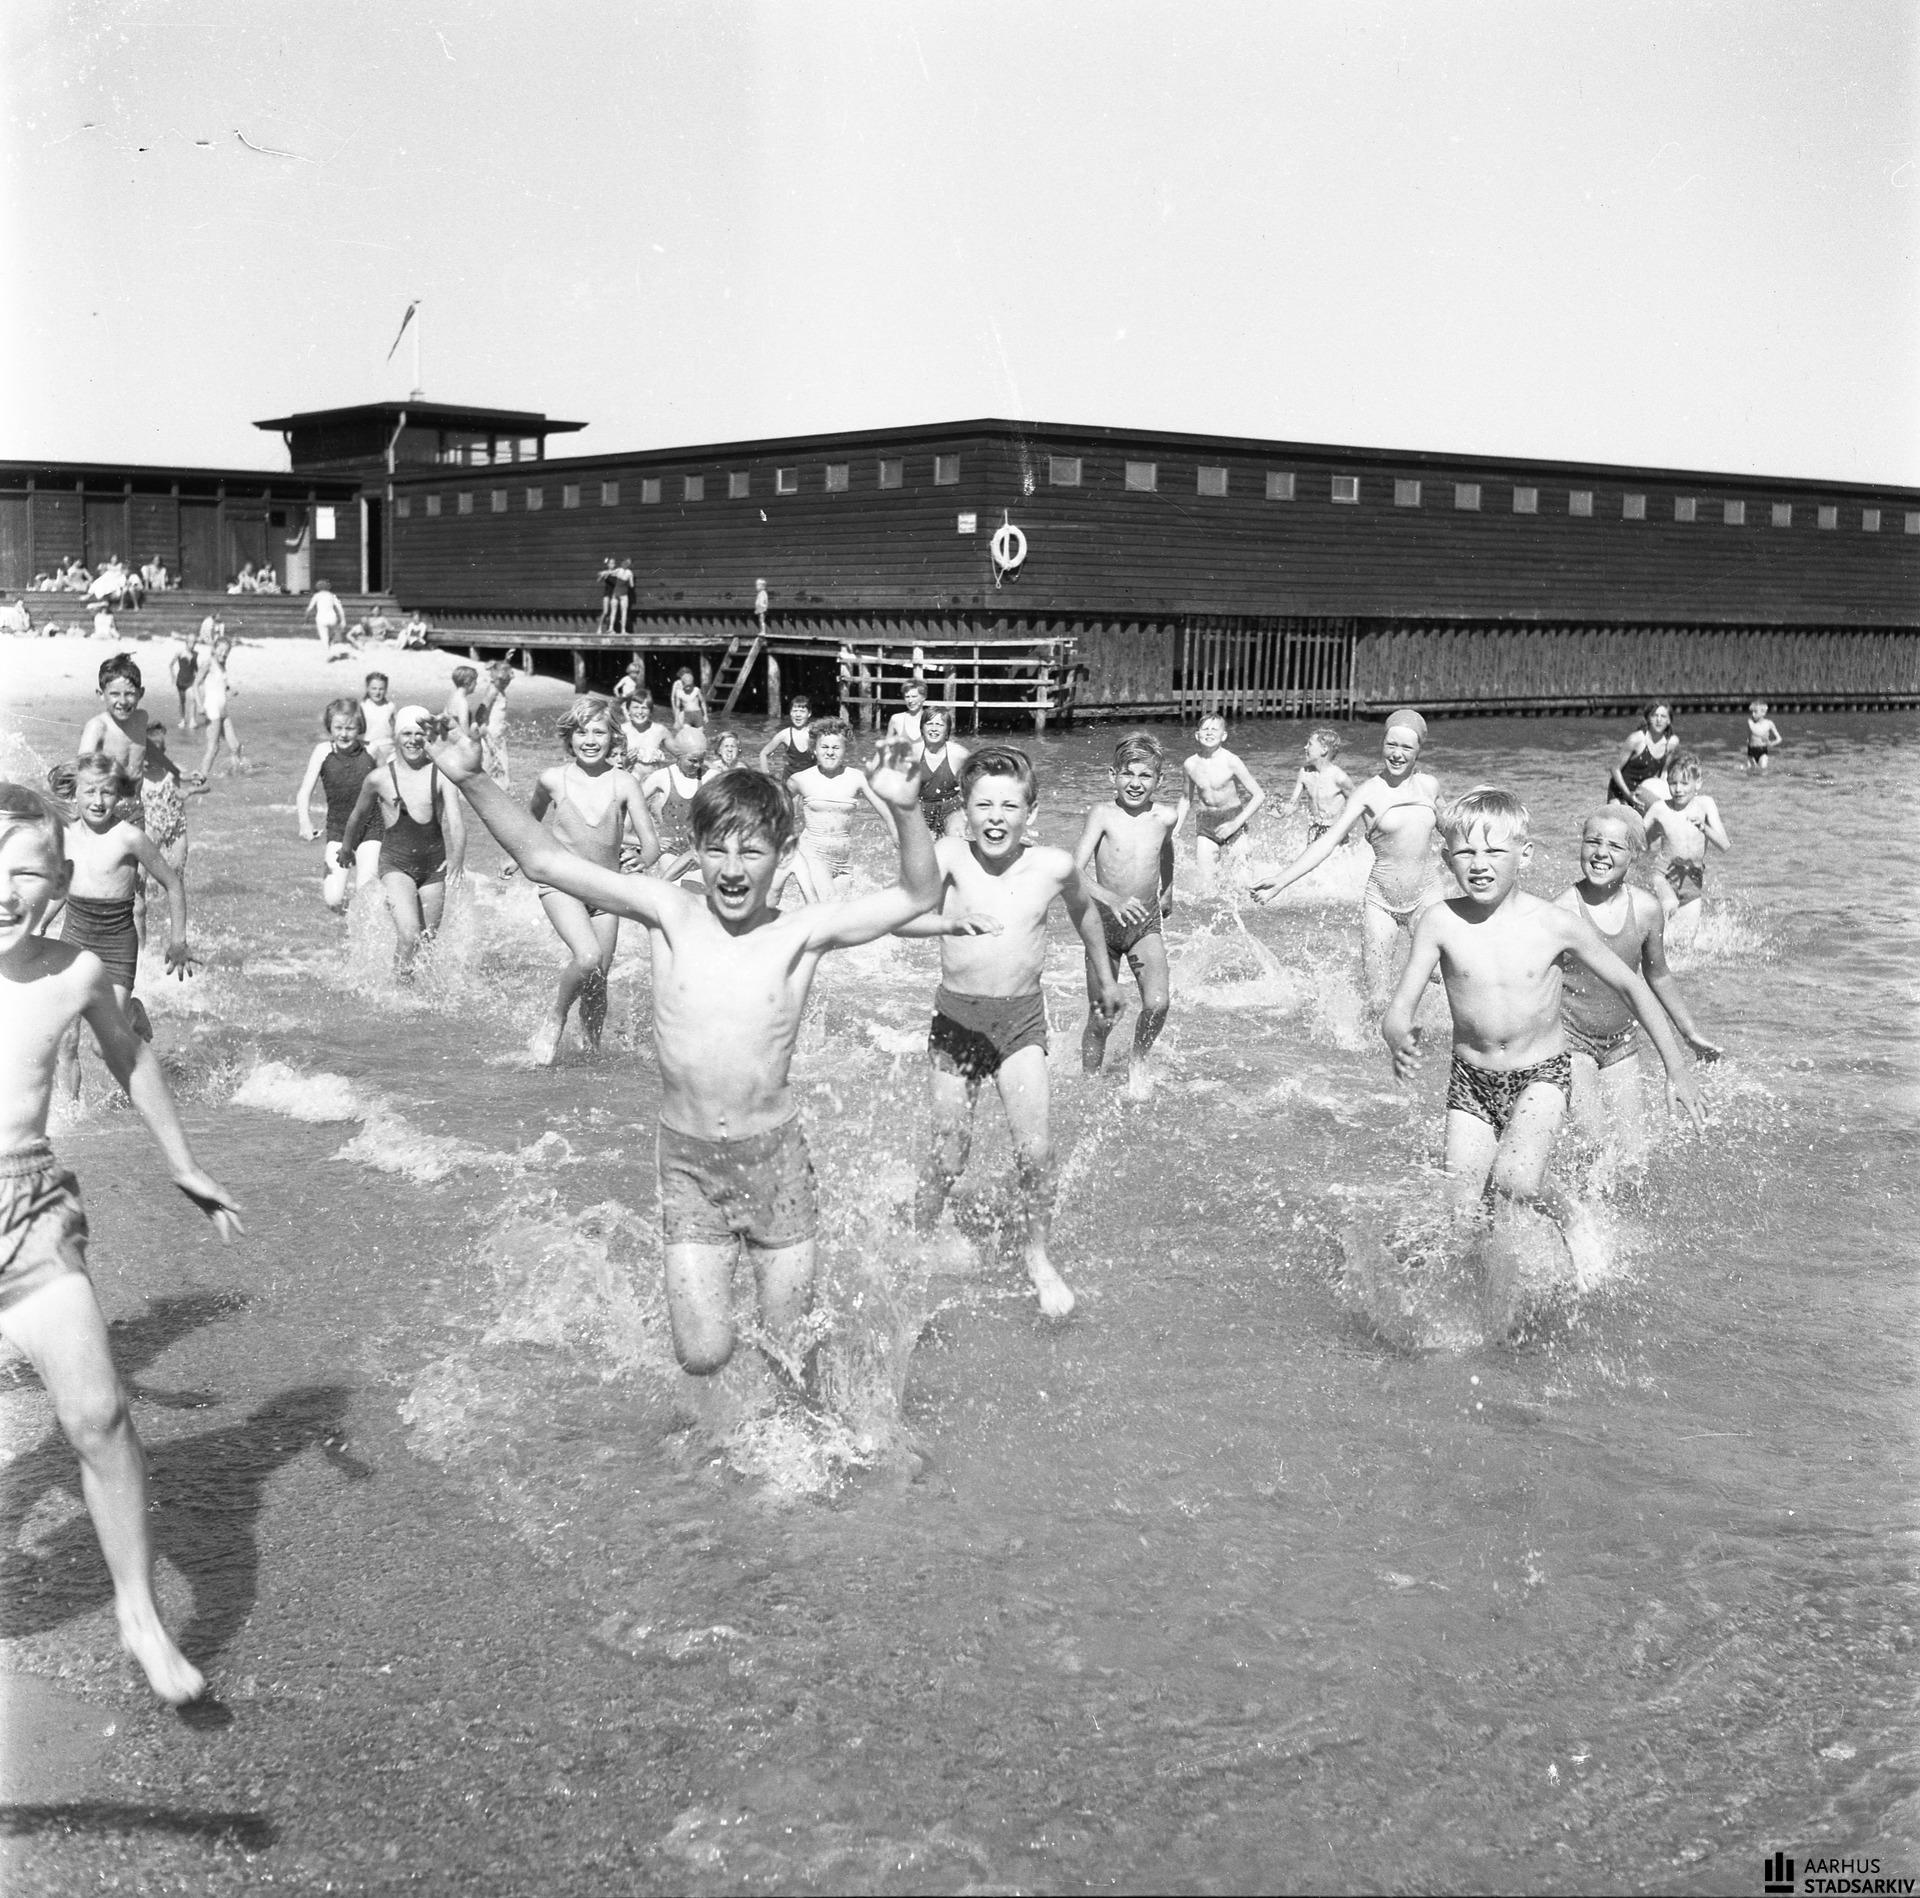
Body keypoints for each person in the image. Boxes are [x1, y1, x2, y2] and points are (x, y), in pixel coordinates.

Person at [425, 727, 938, 1383]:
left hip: (774, 1161)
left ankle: (816, 1406)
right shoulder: (670, 911)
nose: (732, 868)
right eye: (716, 849)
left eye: (751, 852)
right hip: (689, 1162)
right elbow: (545, 861)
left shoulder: (803, 932)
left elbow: (919, 895)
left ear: (784, 855)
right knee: (702, 1354)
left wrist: (905, 809)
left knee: (789, 1355)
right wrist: (472, 779)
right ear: (695, 848)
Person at [0, 782, 241, 1705]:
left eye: (27, 873)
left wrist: (185, 1162)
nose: (6, 891)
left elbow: (130, 1058)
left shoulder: (76, 973)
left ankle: (140, 1617)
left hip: (29, 1208)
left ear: (62, 880)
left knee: (99, 1415)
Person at [1380, 788, 1704, 1246]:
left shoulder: (1554, 922)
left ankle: (1571, 1218)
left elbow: (1633, 985)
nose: (1479, 864)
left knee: (1517, 1179)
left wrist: (1676, 1067)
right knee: (1464, 1215)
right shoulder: (1439, 922)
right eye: (1466, 852)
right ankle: (1494, 1287)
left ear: (1525, 854)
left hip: (1541, 1076)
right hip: (1470, 1081)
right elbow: (1399, 1009)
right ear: (1447, 857)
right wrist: (1397, 1035)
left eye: (1494, 852)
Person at [896, 746, 1122, 1319]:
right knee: (950, 1155)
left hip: (1021, 1021)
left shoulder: (1054, 867)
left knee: (1037, 1151)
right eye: (983, 805)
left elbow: (1086, 914)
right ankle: (918, 1244)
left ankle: (1037, 1254)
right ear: (964, 810)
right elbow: (901, 918)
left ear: (1030, 812)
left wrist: (1103, 980)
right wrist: (948, 923)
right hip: (957, 1021)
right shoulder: (949, 855)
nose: (995, 817)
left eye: (1009, 806)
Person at [1554, 806, 1720, 1171]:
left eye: (1615, 846)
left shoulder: (1646, 909)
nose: (1601, 853)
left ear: (1634, 854)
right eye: (1593, 842)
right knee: (1593, 1143)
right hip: (1570, 1041)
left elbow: (1658, 975)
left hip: (1621, 1044)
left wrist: (1688, 1033)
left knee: (1633, 1160)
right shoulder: (1562, 911)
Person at [1255, 709, 1450, 1012]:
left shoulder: (1429, 786)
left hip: (1427, 895)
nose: (1397, 754)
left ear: (1418, 751)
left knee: (1442, 976)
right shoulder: (1367, 793)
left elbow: (1453, 829)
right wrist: (1282, 880)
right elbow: (1327, 841)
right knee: (1377, 1000)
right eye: (1391, 745)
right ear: (1382, 744)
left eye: (1406, 747)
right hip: (1381, 902)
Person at [525, 699, 659, 1063]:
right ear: (569, 737)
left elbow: (651, 843)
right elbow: (526, 825)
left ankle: (591, 1053)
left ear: (613, 737)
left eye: (599, 732)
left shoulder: (625, 783)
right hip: (562, 885)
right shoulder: (552, 780)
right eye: (582, 732)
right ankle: (556, 1016)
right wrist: (516, 856)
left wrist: (643, 859)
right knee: (587, 958)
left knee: (599, 977)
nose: (590, 740)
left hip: (605, 890)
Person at [56, 753, 191, 1087]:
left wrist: (178, 941)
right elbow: (63, 885)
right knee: (66, 1040)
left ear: (119, 794)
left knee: (103, 1047)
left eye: (107, 792)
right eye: (90, 791)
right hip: (74, 940)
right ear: (75, 792)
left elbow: (173, 884)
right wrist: (40, 922)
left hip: (116, 946)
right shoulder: (66, 834)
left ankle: (131, 1011)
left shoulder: (130, 837)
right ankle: (72, 1113)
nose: (98, 801)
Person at [1072, 732, 1185, 1100]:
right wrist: (1112, 898)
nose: (1136, 783)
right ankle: (1089, 1084)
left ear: (1159, 780)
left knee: (1158, 1004)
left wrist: (1167, 888)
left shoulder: (1165, 817)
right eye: (1128, 774)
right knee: (1103, 1017)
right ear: (1113, 775)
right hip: (1102, 928)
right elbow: (1072, 870)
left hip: (1144, 925)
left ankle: (1137, 1064)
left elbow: (1166, 850)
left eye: (1145, 776)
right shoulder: (1102, 815)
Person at [339, 707, 467, 975]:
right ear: (396, 737)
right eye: (406, 733)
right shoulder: (379, 778)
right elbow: (357, 816)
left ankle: (418, 992)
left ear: (428, 736)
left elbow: (456, 822)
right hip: (396, 866)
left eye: (419, 734)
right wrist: (347, 848)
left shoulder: (442, 774)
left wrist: (458, 859)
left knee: (427, 943)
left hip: (434, 868)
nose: (413, 740)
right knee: (410, 936)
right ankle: (398, 991)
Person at [784, 719, 898, 902]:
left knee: (839, 911)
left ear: (845, 750)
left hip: (843, 861)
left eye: (836, 748)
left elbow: (883, 807)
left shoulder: (857, 778)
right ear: (814, 749)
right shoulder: (800, 779)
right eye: (824, 747)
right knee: (828, 902)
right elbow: (775, 807)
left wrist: (897, 833)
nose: (830, 752)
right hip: (812, 853)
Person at [295, 699, 381, 913]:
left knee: (366, 893)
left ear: (360, 727)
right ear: (329, 726)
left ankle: (365, 926)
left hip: (371, 828)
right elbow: (304, 792)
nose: (343, 734)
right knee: (333, 899)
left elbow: (388, 787)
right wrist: (305, 823)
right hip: (338, 830)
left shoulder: (372, 750)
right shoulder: (322, 751)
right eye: (338, 728)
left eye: (350, 728)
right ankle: (352, 923)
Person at [1641, 753, 1729, 949]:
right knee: (1669, 906)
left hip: (1692, 880)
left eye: (1684, 783)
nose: (1678, 789)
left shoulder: (1706, 805)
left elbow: (1724, 845)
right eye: (1673, 783)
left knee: (1685, 943)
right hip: (1663, 875)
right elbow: (1636, 835)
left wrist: (1704, 828)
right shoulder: (1659, 808)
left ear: (1698, 783)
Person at [1180, 714, 1266, 893]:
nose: (1209, 733)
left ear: (1223, 736)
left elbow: (1259, 795)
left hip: (1233, 818)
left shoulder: (1232, 761)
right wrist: (1175, 828)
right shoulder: (1190, 764)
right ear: (1197, 735)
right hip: (1206, 822)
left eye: (1214, 729)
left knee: (1242, 884)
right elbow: (1185, 799)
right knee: (1207, 886)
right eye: (1205, 729)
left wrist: (1235, 824)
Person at [642, 732, 714, 885]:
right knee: (674, 887)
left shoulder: (711, 776)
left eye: (701, 760)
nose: (698, 765)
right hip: (671, 851)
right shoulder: (661, 777)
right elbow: (630, 806)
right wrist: (648, 840)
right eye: (692, 760)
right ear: (678, 755)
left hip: (700, 851)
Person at [78, 653, 151, 785]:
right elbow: (81, 770)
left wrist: (175, 771)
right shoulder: (98, 727)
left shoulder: (141, 718)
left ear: (141, 693)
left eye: (130, 694)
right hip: (106, 797)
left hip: (135, 798)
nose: (123, 701)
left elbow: (144, 746)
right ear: (101, 694)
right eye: (115, 694)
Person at [1285, 727, 1355, 845]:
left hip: (1335, 832)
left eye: (1310, 744)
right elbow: (1293, 803)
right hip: (1314, 829)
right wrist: (1283, 811)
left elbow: (1358, 802)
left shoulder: (1339, 777)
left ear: (1324, 749)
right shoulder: (1304, 773)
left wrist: (1365, 827)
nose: (1305, 747)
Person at [1607, 700, 1680, 809]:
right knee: (1617, 813)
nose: (1659, 720)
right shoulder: (1636, 739)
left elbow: (1664, 772)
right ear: (1648, 718)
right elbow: (1615, 769)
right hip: (1621, 791)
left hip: (1644, 792)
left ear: (1669, 720)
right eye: (1654, 715)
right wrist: (1628, 795)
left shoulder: (1672, 742)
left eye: (1663, 716)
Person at [912, 706, 971, 838]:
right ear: (922, 728)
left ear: (947, 730)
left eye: (939, 724)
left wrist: (966, 810)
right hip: (921, 809)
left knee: (954, 840)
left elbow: (976, 781)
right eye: (929, 724)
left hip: (952, 808)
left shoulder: (959, 754)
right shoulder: (911, 754)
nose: (934, 728)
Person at [195, 634, 247, 779]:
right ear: (215, 649)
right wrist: (199, 705)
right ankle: (201, 777)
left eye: (226, 651)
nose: (223, 653)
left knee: (235, 746)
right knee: (214, 747)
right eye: (221, 650)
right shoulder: (208, 663)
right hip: (212, 711)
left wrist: (230, 691)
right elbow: (195, 685)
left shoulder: (223, 665)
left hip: (223, 710)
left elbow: (221, 686)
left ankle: (235, 775)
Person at [757, 696, 816, 784]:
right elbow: (763, 753)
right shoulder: (785, 734)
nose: (798, 715)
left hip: (809, 781)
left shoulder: (814, 734)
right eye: (794, 711)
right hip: (789, 781)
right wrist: (766, 776)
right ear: (790, 713)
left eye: (802, 711)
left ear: (809, 714)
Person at [480, 661, 514, 787]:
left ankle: (498, 788)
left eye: (508, 682)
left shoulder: (499, 689)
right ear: (497, 678)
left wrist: (506, 659)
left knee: (498, 765)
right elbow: (480, 712)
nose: (506, 684)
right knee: (496, 765)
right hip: (491, 734)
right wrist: (483, 729)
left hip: (497, 735)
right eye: (504, 682)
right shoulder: (493, 691)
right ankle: (500, 789)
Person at [304, 578, 348, 659]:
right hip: (332, 617)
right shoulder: (332, 596)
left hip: (321, 618)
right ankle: (333, 647)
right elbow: (340, 608)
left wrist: (306, 619)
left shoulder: (316, 596)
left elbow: (309, 608)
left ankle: (328, 653)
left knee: (324, 636)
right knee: (333, 634)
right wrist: (343, 620)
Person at [361, 672, 397, 764]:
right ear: (367, 688)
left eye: (381, 689)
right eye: (374, 688)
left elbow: (395, 729)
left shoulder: (390, 706)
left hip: (388, 748)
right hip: (369, 747)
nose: (377, 692)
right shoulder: (363, 706)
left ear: (386, 689)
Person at [443, 666, 482, 741]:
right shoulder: (462, 702)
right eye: (475, 681)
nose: (476, 684)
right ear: (467, 683)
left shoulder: (452, 697)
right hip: (460, 741)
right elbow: (464, 728)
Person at [885, 681, 929, 749]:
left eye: (914, 696)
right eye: (907, 697)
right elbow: (885, 748)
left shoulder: (932, 720)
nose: (910, 700)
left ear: (924, 697)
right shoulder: (896, 719)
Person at [1745, 699, 1782, 773]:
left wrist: (1771, 744)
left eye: (1755, 712)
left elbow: (1779, 739)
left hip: (1762, 751)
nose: (1753, 714)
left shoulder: (1769, 723)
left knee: (1762, 771)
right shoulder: (1750, 723)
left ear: (1763, 713)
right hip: (1751, 751)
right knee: (1749, 772)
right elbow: (1749, 737)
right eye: (1751, 712)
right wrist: (1748, 741)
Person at [670, 665, 707, 732]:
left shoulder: (694, 687)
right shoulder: (677, 684)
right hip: (684, 708)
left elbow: (700, 700)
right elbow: (673, 698)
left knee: (698, 729)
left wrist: (705, 715)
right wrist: (675, 714)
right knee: (684, 728)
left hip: (694, 711)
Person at [596, 556, 618, 636]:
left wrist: (608, 573)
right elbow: (598, 580)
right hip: (607, 594)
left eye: (613, 563)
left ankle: (611, 629)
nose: (612, 565)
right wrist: (601, 575)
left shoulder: (616, 572)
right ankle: (599, 628)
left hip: (614, 594)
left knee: (613, 612)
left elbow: (617, 573)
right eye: (610, 563)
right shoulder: (605, 573)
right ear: (608, 565)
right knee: (605, 611)